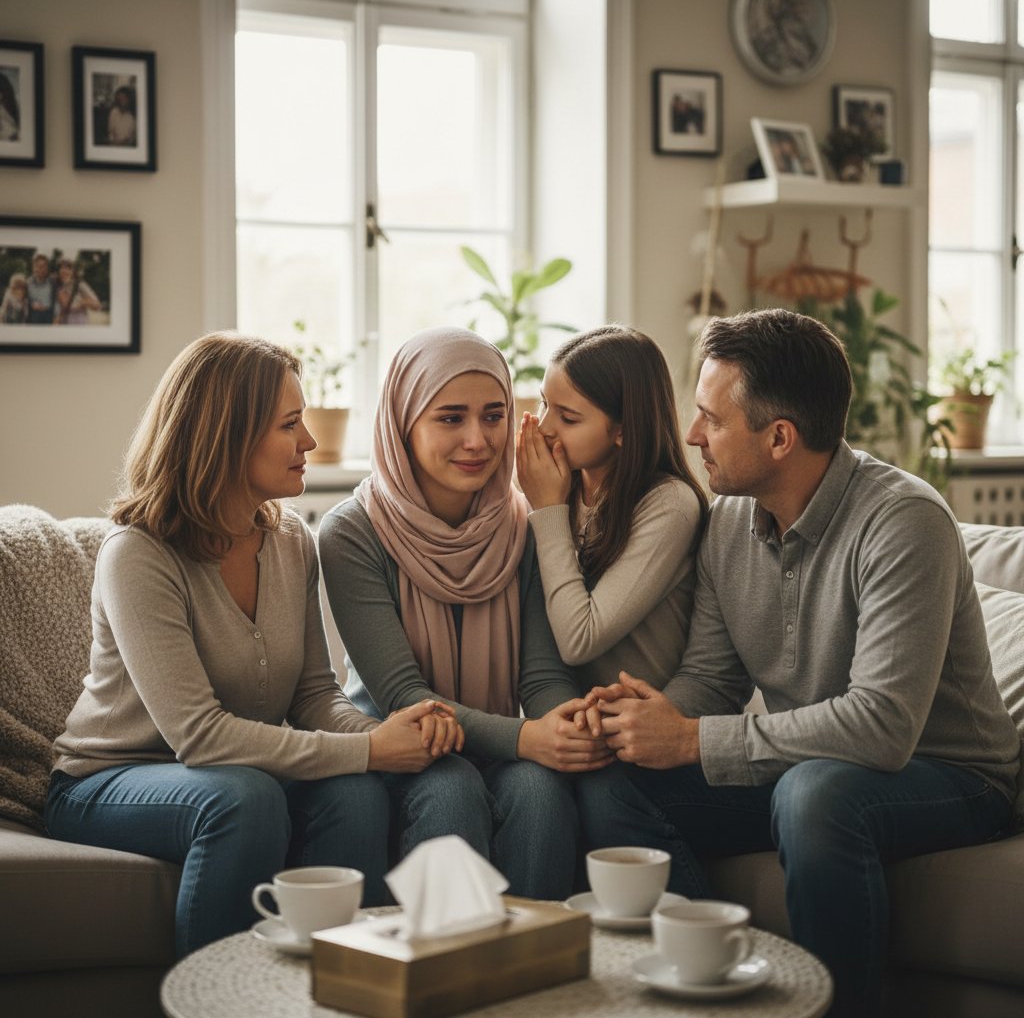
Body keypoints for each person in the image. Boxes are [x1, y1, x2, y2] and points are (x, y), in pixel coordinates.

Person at [581, 309, 1019, 1017]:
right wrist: (634, 717)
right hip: (810, 766)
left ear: (779, 437)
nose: (692, 436)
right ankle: (713, 990)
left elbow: (882, 728)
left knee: (814, 795)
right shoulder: (728, 521)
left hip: (950, 775)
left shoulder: (905, 522)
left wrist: (691, 740)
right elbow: (714, 680)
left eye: (710, 420)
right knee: (614, 785)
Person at [45, 333, 463, 957]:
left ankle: (350, 982)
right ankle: (219, 997)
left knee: (355, 793)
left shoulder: (292, 539)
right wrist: (369, 749)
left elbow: (315, 693)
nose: (310, 443)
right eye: (290, 424)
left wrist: (390, 730)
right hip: (109, 780)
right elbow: (201, 737)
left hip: (236, 771)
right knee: (246, 797)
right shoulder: (137, 555)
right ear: (227, 435)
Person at [318, 326, 612, 900]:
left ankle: (530, 971)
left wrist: (566, 729)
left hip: (500, 737)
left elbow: (542, 674)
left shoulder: (523, 524)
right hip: (400, 743)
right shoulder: (351, 532)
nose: (478, 440)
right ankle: (438, 974)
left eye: (494, 416)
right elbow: (405, 694)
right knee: (451, 788)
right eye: (450, 418)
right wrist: (530, 738)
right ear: (404, 422)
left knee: (541, 791)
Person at [514, 325, 708, 692]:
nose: (544, 428)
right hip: (576, 719)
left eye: (568, 418)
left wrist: (548, 510)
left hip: (647, 727)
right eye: (543, 404)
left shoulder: (670, 505)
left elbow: (578, 641)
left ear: (623, 430)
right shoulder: (558, 486)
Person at [54, 257, 101, 324]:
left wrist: (81, 302)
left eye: (68, 268)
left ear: (73, 271)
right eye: (62, 268)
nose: (64, 271)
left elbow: (97, 305)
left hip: (79, 324)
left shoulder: (80, 285)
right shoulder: (58, 286)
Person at [26, 252, 56, 324]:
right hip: (33, 317)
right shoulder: (27, 283)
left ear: (47, 268)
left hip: (49, 316)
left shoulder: (53, 282)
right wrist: (31, 304)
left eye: (43, 266)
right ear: (33, 267)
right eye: (37, 266)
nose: (40, 269)